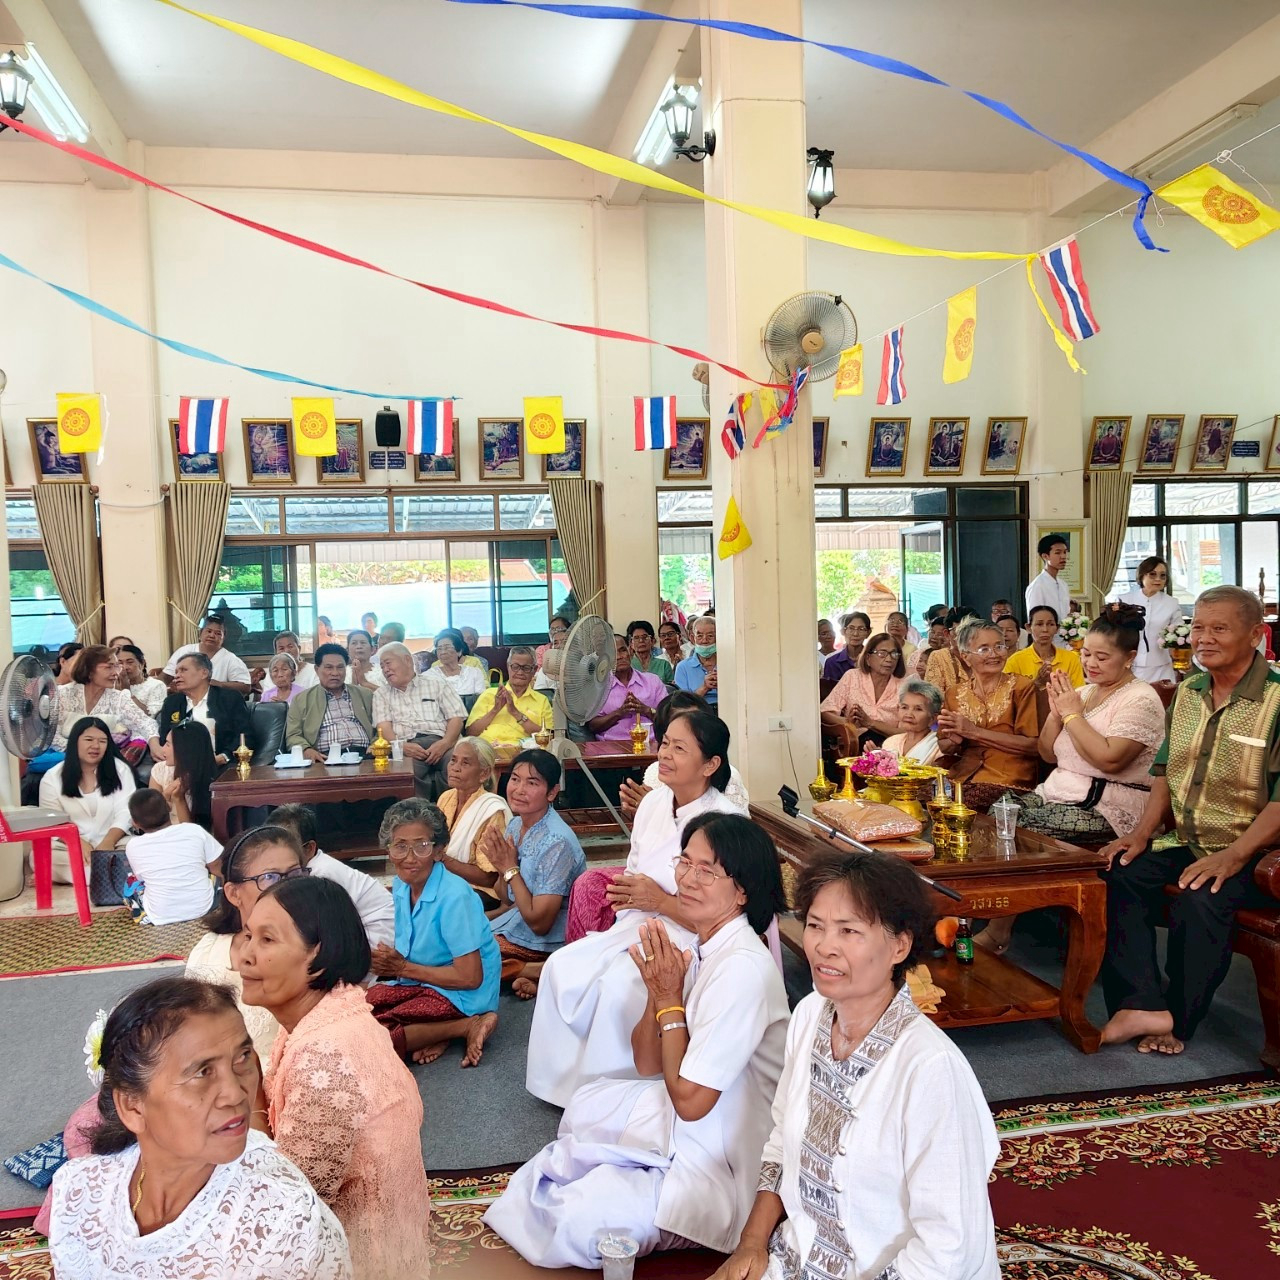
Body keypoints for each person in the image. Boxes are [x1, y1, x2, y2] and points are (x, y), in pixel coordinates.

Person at [487, 814, 789, 1266]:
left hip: (724, 1156)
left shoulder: (742, 967)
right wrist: (657, 990)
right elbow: (647, 1062)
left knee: (574, 1221)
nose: (687, 878)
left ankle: (676, 1209)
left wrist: (669, 1000)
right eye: (684, 862)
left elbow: (690, 1101)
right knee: (584, 1107)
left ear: (742, 890)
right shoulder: (707, 945)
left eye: (707, 871)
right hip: (689, 1122)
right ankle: (626, 1168)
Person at [712, 849, 999, 1280]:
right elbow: (780, 1142)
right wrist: (751, 1245)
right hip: (800, 1258)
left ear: (899, 945)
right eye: (815, 926)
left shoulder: (929, 1068)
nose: (825, 946)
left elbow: (948, 1249)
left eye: (849, 931)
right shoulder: (811, 1014)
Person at [48, 976, 352, 1280]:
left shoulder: (283, 1224)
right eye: (203, 1072)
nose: (236, 1094)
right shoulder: (79, 1195)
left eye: (242, 1057)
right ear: (133, 1106)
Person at [1099, 586, 1280, 1056]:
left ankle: (1178, 1019)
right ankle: (1139, 1003)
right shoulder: (1189, 692)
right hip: (1188, 838)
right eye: (1198, 626)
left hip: (1257, 852)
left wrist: (1234, 856)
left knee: (1201, 897)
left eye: (1219, 628)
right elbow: (1164, 771)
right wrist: (1140, 834)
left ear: (1256, 635)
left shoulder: (1277, 699)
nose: (1203, 638)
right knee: (1121, 870)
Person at [527, 708, 741, 1106]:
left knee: (618, 985)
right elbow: (634, 872)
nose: (664, 755)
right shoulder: (654, 804)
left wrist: (660, 901)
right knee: (563, 966)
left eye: (680, 748)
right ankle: (561, 1086)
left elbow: (724, 916)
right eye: (664, 745)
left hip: (693, 933)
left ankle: (616, 1095)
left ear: (711, 764)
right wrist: (633, 903)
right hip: (641, 921)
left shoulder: (725, 822)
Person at [239, 876, 433, 1279]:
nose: (244, 956)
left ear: (318, 957)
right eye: (247, 935)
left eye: (267, 940)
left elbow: (286, 1212)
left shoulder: (323, 1059)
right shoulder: (336, 1012)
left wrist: (249, 1096)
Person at [979, 604, 1166, 955]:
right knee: (995, 812)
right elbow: (1048, 754)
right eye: (1086, 654)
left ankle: (999, 930)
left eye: (1102, 657)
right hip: (1061, 792)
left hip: (1108, 803)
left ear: (1129, 658)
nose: (1090, 664)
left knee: (1021, 827)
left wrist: (1071, 715)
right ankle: (1002, 915)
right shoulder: (1082, 693)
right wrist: (1056, 713)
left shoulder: (1141, 698)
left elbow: (1110, 759)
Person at [363, 798, 502, 1066]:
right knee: (357, 1010)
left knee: (377, 1036)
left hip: (464, 994)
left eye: (422, 846)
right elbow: (408, 955)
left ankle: (465, 1025)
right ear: (389, 850)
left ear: (439, 851)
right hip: (423, 981)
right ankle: (433, 1033)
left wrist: (400, 967)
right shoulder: (402, 886)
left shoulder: (455, 897)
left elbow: (470, 977)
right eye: (400, 846)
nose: (410, 858)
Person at [186, 825, 307, 1060]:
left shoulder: (312, 945)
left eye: (294, 875)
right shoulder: (209, 951)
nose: (286, 888)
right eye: (269, 877)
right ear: (233, 894)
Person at [480, 749, 586, 996]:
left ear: (552, 792)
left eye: (532, 782)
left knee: (468, 955)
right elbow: (506, 897)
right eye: (515, 779)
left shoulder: (556, 841)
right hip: (518, 920)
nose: (518, 789)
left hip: (551, 935)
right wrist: (500, 868)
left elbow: (541, 923)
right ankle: (538, 975)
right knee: (454, 938)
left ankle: (535, 969)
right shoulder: (516, 824)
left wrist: (509, 868)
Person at [936, 619, 1040, 810]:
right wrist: (954, 740)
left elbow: (1033, 746)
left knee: (963, 807)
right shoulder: (954, 693)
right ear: (965, 656)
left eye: (999, 647)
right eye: (984, 649)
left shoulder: (1021, 687)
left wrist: (974, 732)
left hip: (1007, 775)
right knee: (927, 796)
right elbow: (945, 746)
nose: (994, 654)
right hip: (964, 772)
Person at [268, 804, 395, 953]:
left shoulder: (321, 875)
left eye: (287, 847)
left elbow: (317, 929)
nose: (277, 853)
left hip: (377, 934)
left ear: (309, 848)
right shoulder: (299, 868)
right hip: (353, 928)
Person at [38, 717, 136, 882]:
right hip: (70, 846)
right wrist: (78, 843)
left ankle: (86, 876)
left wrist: (108, 842)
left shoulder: (121, 770)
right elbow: (52, 822)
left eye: (102, 741)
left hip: (114, 842)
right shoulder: (52, 777)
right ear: (75, 741)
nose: (95, 746)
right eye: (89, 740)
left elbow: (126, 812)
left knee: (137, 849)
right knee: (40, 857)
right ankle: (110, 877)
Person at [373, 641, 467, 798]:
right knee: (408, 773)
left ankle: (451, 815)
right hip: (407, 745)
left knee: (456, 765)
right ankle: (420, 818)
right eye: (382, 667)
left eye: (388, 663)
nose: (385, 669)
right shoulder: (381, 694)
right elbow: (384, 729)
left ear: (407, 660)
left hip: (442, 741)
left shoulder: (437, 683)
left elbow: (456, 717)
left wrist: (445, 743)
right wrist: (402, 746)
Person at [121, 788, 221, 925]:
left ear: (135, 823)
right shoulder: (193, 830)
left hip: (159, 914)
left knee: (131, 882)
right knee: (214, 876)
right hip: (204, 907)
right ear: (169, 807)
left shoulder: (132, 846)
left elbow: (142, 880)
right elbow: (218, 867)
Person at [53, 645, 161, 761]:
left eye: (116, 667)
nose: (116, 673)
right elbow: (51, 735)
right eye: (109, 667)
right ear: (88, 670)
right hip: (64, 757)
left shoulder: (119, 698)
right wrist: (82, 752)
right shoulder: (62, 694)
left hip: (104, 759)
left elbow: (145, 723)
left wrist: (155, 746)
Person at [435, 736, 511, 894]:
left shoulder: (492, 811)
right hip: (446, 881)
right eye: (453, 760)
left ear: (484, 773)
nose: (455, 768)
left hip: (479, 891)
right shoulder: (445, 798)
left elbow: (489, 877)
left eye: (465, 763)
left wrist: (442, 859)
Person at [157, 652, 252, 767]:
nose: (177, 676)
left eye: (183, 670)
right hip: (181, 765)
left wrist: (223, 757)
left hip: (220, 764)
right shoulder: (172, 703)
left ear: (204, 673)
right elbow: (164, 739)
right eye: (176, 672)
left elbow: (246, 736)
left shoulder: (229, 698)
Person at [285, 644, 374, 763]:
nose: (335, 673)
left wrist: (376, 745)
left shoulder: (365, 695)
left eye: (340, 667)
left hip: (365, 755)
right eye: (329, 667)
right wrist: (306, 750)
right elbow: (293, 735)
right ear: (317, 670)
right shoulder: (301, 700)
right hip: (325, 759)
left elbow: (381, 727)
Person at [820, 632, 905, 753]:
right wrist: (847, 723)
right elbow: (825, 711)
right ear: (868, 658)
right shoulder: (852, 677)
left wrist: (870, 723)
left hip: (890, 746)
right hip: (856, 741)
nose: (889, 659)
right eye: (882, 653)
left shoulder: (904, 686)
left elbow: (907, 731)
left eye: (894, 654)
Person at [1003, 605, 1085, 718]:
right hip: (1027, 718)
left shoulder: (1071, 658)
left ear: (1057, 628)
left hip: (1064, 717)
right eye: (1039, 624)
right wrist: (1036, 684)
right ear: (1028, 627)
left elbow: (1080, 693)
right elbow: (1007, 698)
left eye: (1050, 624)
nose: (1045, 629)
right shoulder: (1015, 660)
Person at [588, 633, 668, 741]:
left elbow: (669, 719)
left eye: (622, 650)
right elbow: (592, 726)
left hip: (651, 746)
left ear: (630, 651)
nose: (619, 657)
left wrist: (645, 710)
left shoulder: (653, 682)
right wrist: (619, 712)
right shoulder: (598, 688)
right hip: (611, 749)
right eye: (613, 653)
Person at [465, 645, 552, 744]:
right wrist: (495, 709)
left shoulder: (542, 700)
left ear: (535, 670)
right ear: (508, 667)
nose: (520, 672)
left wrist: (516, 713)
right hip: (487, 751)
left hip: (524, 753)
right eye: (515, 667)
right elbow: (471, 733)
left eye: (526, 668)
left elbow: (548, 737)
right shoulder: (489, 694)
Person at [1119, 555, 1183, 684]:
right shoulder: (1125, 600)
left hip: (1161, 666)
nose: (1158, 579)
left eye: (1162, 575)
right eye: (1152, 575)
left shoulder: (1171, 603)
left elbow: (1179, 634)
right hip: (1129, 665)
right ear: (1142, 576)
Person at [148, 718, 216, 828]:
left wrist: (179, 798)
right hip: (162, 835)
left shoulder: (209, 780)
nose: (163, 749)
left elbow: (192, 833)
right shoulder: (159, 770)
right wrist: (166, 795)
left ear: (184, 749)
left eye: (168, 745)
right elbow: (151, 822)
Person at [162, 614, 252, 694]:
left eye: (217, 633)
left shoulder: (231, 659)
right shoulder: (184, 651)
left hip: (216, 705)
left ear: (224, 637)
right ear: (200, 633)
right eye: (208, 631)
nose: (212, 636)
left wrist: (219, 684)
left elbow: (246, 687)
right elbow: (165, 677)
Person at [881, 679, 943, 765]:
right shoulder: (891, 742)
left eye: (918, 709)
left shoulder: (939, 747)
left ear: (933, 718)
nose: (909, 715)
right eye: (904, 707)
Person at [1025, 534, 1072, 648]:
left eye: (1065, 552)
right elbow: (1036, 620)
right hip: (1047, 644)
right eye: (1058, 553)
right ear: (1045, 556)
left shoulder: (1063, 585)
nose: (1063, 557)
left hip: (1066, 644)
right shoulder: (1038, 586)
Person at [675, 614, 720, 707]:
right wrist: (704, 687)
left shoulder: (729, 663)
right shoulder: (683, 667)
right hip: (698, 714)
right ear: (692, 638)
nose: (704, 641)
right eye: (699, 636)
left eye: (710, 636)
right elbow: (682, 704)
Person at [431, 627, 487, 697]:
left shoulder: (474, 662)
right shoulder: (435, 665)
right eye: (440, 648)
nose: (444, 652)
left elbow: (485, 686)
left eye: (448, 647)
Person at [115, 644, 167, 717]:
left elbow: (152, 717)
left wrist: (126, 691)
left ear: (142, 663)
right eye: (120, 663)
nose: (125, 667)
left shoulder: (156, 685)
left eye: (130, 662)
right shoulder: (111, 686)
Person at [822, 612, 871, 683]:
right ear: (843, 631)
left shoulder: (873, 660)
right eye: (851, 628)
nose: (855, 634)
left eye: (861, 629)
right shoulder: (832, 662)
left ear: (868, 633)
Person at [628, 619, 674, 683]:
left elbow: (671, 689)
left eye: (645, 637)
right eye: (636, 638)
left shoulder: (664, 665)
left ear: (652, 641)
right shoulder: (627, 665)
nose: (641, 640)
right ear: (631, 643)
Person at [909, 614, 950, 680]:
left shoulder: (950, 656)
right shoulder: (918, 654)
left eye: (939, 634)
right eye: (932, 632)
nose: (934, 637)